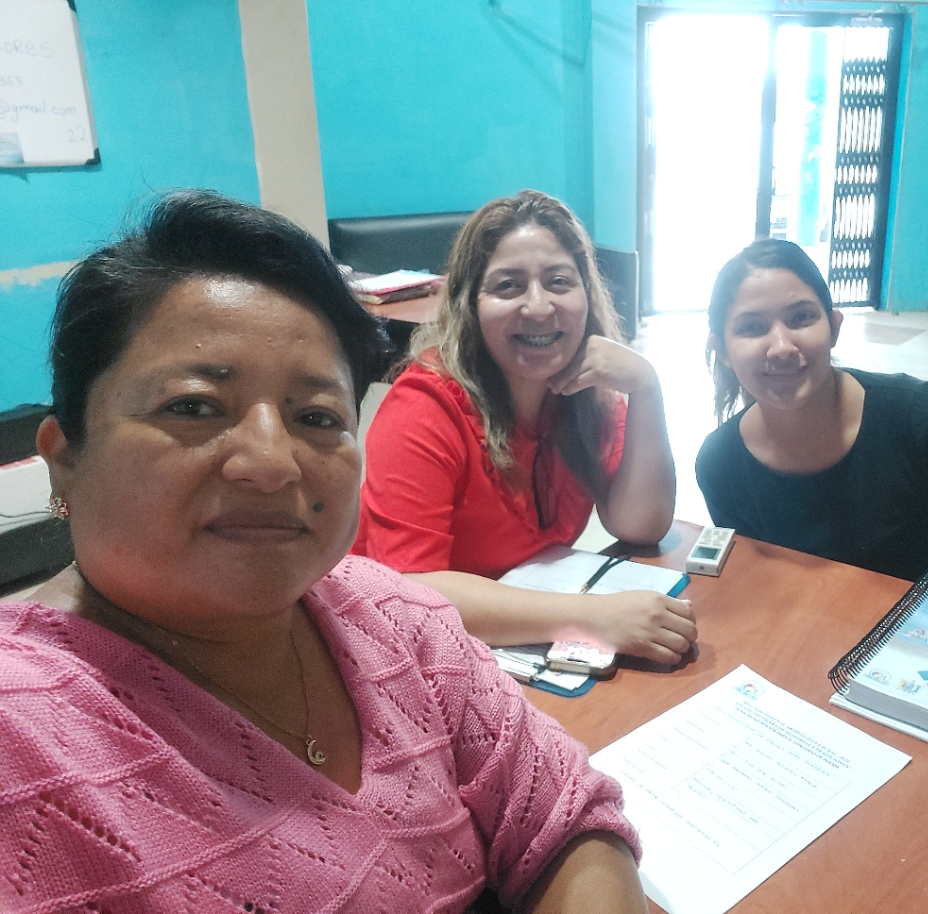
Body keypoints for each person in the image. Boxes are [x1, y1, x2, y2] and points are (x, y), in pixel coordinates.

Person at [0, 191, 647, 913]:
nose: (272, 462)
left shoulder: (394, 618)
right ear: (65, 457)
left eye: (315, 416)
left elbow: (568, 814)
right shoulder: (20, 736)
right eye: (194, 406)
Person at [354, 191, 695, 665]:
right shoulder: (423, 408)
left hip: (511, 644)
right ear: (470, 304)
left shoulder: (587, 395)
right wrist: (591, 618)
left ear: (587, 294)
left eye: (559, 282)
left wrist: (646, 390)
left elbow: (640, 525)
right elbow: (410, 592)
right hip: (413, 652)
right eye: (508, 286)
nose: (538, 307)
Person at [695, 239, 928, 592]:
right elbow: (771, 584)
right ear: (721, 349)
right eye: (752, 328)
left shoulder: (927, 422)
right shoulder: (721, 463)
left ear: (834, 327)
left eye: (801, 318)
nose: (782, 347)